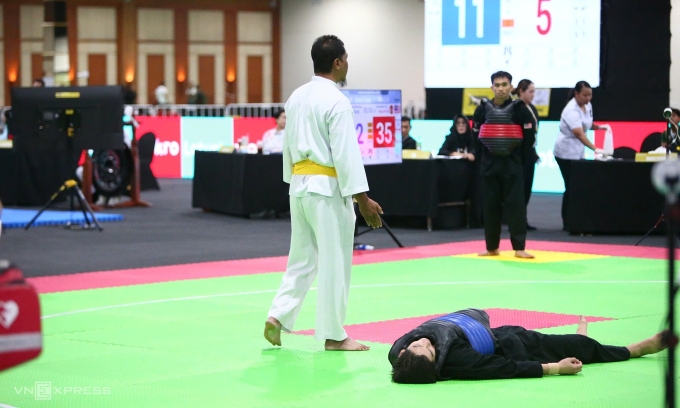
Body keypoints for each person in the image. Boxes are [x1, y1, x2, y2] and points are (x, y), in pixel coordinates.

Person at [263, 35, 383, 352]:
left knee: (302, 258)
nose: (348, 64)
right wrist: (362, 199)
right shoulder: (336, 101)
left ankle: (278, 315)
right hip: (327, 190)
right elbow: (346, 154)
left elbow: (288, 145)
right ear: (337, 62)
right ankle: (334, 335)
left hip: (300, 186)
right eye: (347, 59)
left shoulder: (296, 97)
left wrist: (292, 180)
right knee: (335, 261)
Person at [388, 308, 667, 383]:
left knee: (572, 343)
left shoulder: (400, 353)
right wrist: (555, 368)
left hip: (498, 333)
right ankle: (634, 350)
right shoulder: (459, 360)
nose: (423, 342)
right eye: (429, 349)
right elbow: (504, 368)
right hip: (514, 348)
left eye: (418, 346)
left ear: (403, 352)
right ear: (436, 359)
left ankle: (581, 340)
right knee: (571, 346)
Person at [472, 71, 535, 259]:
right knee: (490, 206)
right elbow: (476, 138)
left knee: (516, 206)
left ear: (511, 87)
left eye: (504, 85)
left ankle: (519, 247)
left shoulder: (520, 110)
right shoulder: (482, 110)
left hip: (512, 164)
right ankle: (492, 247)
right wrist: (483, 159)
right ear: (492, 87)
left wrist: (519, 160)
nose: (500, 89)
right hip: (489, 164)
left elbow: (529, 139)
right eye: (497, 85)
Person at [553, 81, 610, 229]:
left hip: (578, 152)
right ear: (576, 94)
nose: (588, 98)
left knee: (576, 186)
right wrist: (595, 148)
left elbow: (586, 124)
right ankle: (567, 221)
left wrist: (599, 127)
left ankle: (574, 219)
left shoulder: (587, 105)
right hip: (565, 152)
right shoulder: (570, 110)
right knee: (570, 186)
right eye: (585, 95)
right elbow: (578, 132)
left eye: (590, 95)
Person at [511, 79, 540, 231]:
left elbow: (532, 135)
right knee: (519, 189)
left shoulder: (532, 108)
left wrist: (533, 152)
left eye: (534, 92)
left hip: (529, 154)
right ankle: (515, 220)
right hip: (520, 155)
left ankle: (522, 218)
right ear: (521, 91)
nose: (533, 95)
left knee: (527, 188)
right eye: (530, 91)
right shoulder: (516, 109)